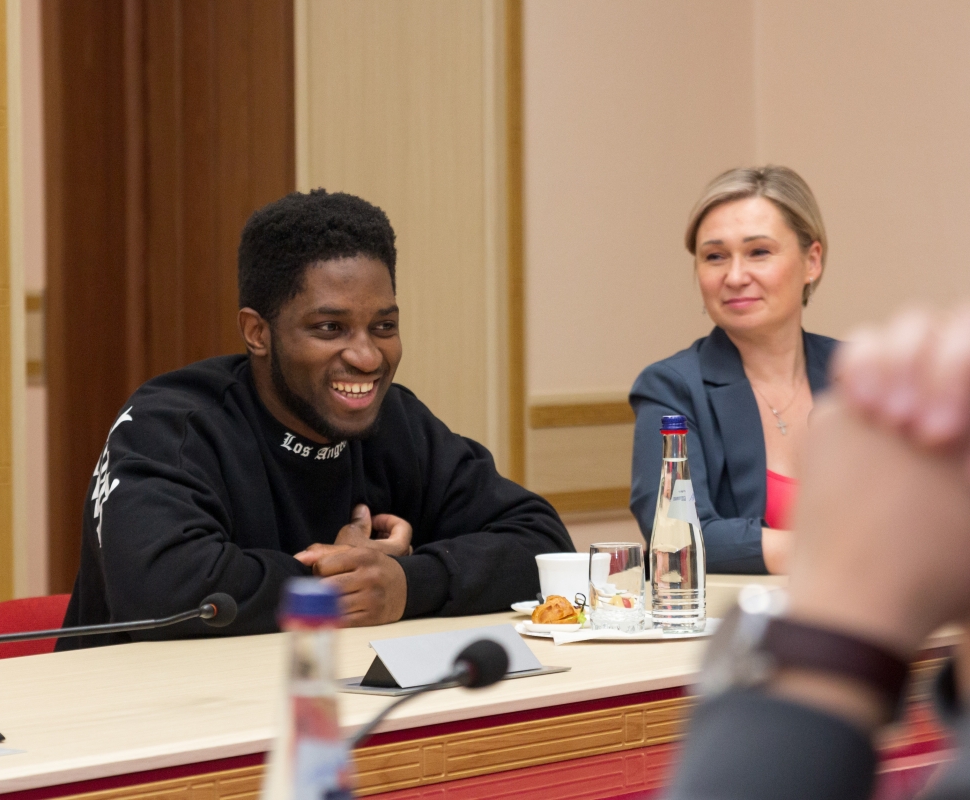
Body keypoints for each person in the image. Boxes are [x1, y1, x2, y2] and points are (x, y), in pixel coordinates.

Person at [57, 189, 573, 647]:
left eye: (384, 326)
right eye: (330, 328)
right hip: (140, 712)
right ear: (257, 333)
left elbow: (544, 547)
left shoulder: (397, 421)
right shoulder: (171, 424)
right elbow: (162, 588)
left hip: (326, 699)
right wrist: (339, 582)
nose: (367, 357)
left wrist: (405, 583)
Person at [668, 305, 970, 800]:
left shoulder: (844, 371)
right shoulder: (678, 380)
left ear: (812, 267)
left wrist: (837, 614)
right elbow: (694, 532)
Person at [629, 166, 836, 574]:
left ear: (812, 261)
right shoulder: (672, 388)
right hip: (740, 614)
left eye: (759, 252)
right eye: (715, 257)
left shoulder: (859, 376)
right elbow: (677, 535)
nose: (735, 276)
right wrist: (837, 552)